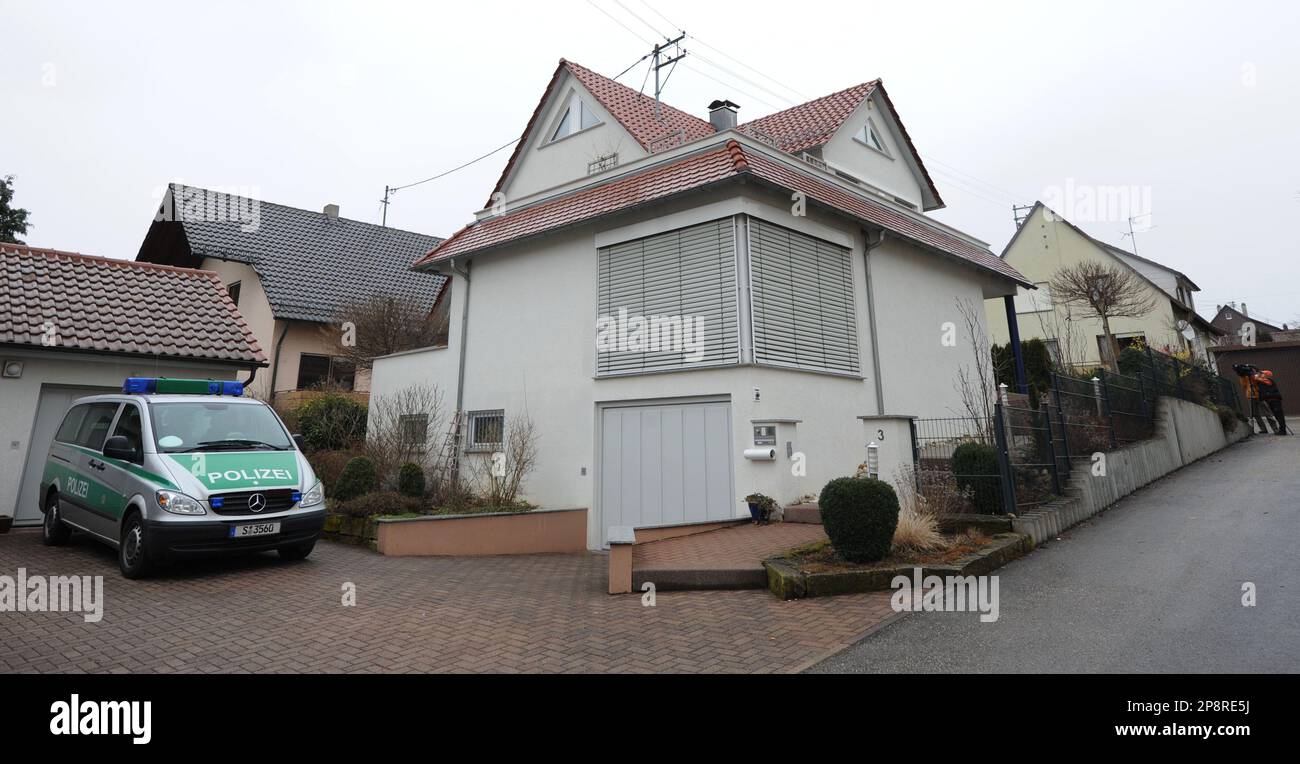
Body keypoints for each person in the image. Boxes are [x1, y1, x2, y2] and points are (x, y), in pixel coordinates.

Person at [1255, 370, 1288, 435]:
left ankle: (1283, 431)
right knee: (1277, 415)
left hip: (1275, 401)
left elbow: (1256, 378)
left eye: (1262, 374)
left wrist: (1257, 374)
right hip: (1272, 401)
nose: (1261, 374)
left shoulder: (1268, 381)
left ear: (1266, 375)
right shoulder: (1264, 381)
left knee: (1279, 415)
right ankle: (1282, 430)